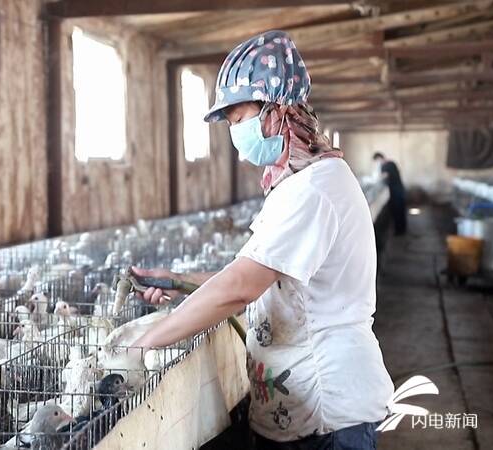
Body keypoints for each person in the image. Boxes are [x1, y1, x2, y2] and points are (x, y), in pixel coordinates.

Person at [133, 30, 393, 450]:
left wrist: (143, 345)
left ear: (276, 110)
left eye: (238, 119)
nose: (235, 131)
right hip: (297, 404)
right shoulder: (299, 182)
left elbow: (240, 288)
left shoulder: (314, 188)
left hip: (327, 410)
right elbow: (260, 275)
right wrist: (178, 280)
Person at [373, 152, 407, 235]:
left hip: (397, 191)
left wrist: (374, 179)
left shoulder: (388, 165)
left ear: (380, 158)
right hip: (395, 190)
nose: (377, 163)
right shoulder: (388, 164)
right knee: (398, 210)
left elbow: (384, 176)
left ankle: (400, 231)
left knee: (398, 210)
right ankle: (400, 230)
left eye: (377, 161)